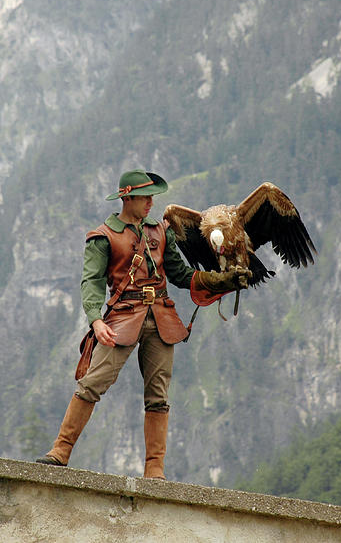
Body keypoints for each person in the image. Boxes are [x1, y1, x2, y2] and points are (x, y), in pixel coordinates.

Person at [35, 169, 249, 479]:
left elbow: (180, 274)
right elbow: (91, 282)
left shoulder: (160, 232)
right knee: (93, 383)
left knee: (159, 396)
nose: (151, 202)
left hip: (161, 317)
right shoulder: (103, 236)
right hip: (121, 319)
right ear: (128, 198)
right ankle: (61, 450)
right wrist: (96, 320)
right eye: (145, 197)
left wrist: (221, 280)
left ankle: (154, 469)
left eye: (152, 197)